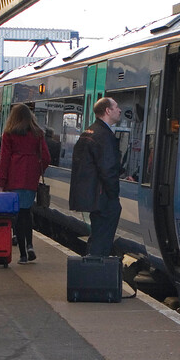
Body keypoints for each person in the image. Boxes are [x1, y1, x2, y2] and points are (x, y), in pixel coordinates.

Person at [0, 105, 50, 264]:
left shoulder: (9, 133)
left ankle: (23, 255)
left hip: (14, 178)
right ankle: (30, 245)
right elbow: (46, 158)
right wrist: (36, 170)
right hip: (30, 180)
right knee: (27, 212)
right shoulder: (38, 133)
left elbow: (4, 159)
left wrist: (0, 183)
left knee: (17, 215)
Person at [69, 97, 122, 258]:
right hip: (103, 198)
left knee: (97, 237)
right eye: (116, 107)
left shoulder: (89, 132)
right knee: (102, 242)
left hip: (92, 196)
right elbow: (108, 168)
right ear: (107, 111)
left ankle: (90, 273)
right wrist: (114, 196)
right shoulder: (104, 135)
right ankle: (96, 275)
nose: (119, 110)